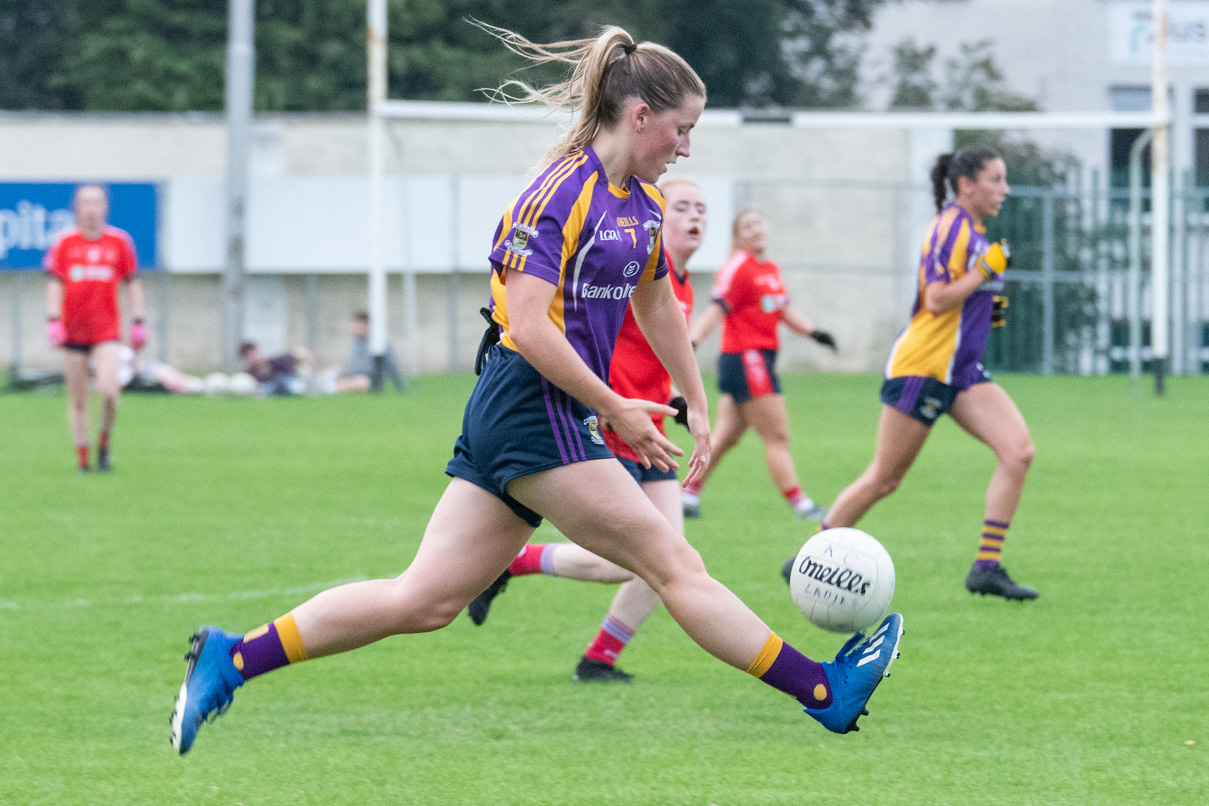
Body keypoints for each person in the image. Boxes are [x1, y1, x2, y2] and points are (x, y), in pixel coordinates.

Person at [170, 24, 903, 756]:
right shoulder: (555, 193)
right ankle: (822, 691)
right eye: (681, 130)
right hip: (529, 404)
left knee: (424, 600)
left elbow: (656, 304)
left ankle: (232, 659)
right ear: (638, 115)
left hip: (537, 410)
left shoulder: (641, 204)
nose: (686, 149)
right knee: (671, 564)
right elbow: (528, 326)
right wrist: (613, 405)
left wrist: (696, 399)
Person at [465, 179, 705, 684]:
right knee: (644, 561)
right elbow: (585, 336)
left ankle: (599, 659)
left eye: (701, 209)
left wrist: (681, 399)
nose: (692, 217)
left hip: (650, 423)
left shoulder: (675, 283)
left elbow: (658, 346)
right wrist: (612, 403)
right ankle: (517, 562)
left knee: (673, 559)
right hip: (614, 418)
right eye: (681, 206)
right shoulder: (619, 262)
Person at [783, 147, 1037, 601]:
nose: (1005, 189)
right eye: (996, 180)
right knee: (885, 478)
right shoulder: (951, 228)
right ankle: (807, 556)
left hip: (960, 370)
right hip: (924, 367)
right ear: (967, 185)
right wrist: (984, 273)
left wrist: (986, 306)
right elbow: (937, 299)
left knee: (1018, 451)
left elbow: (958, 302)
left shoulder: (976, 233)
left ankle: (986, 567)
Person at [679, 209, 836, 521]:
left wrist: (814, 333)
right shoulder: (738, 267)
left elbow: (782, 310)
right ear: (738, 236)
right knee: (776, 436)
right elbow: (717, 309)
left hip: (759, 358)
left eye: (759, 223)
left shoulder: (770, 269)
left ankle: (687, 495)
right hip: (747, 357)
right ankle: (801, 505)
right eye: (747, 226)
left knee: (726, 437)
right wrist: (692, 340)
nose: (756, 229)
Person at [44, 184, 146, 473]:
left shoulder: (119, 242)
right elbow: (55, 283)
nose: (90, 208)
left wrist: (138, 320)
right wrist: (53, 320)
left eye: (96, 202)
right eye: (84, 203)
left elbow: (132, 282)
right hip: (73, 332)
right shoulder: (65, 243)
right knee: (78, 399)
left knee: (109, 390)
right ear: (76, 208)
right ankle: (84, 459)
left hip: (106, 332)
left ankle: (104, 441)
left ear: (105, 207)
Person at [318, 310, 404, 394]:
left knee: (361, 382)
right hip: (352, 377)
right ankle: (324, 386)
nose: (355, 328)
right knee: (331, 373)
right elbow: (353, 367)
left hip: (367, 379)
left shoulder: (379, 344)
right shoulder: (356, 343)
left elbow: (393, 367)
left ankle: (330, 389)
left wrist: (400, 386)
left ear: (367, 325)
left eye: (358, 325)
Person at [238, 341, 310, 396]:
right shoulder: (251, 366)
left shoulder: (286, 359)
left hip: (278, 382)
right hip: (270, 384)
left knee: (296, 387)